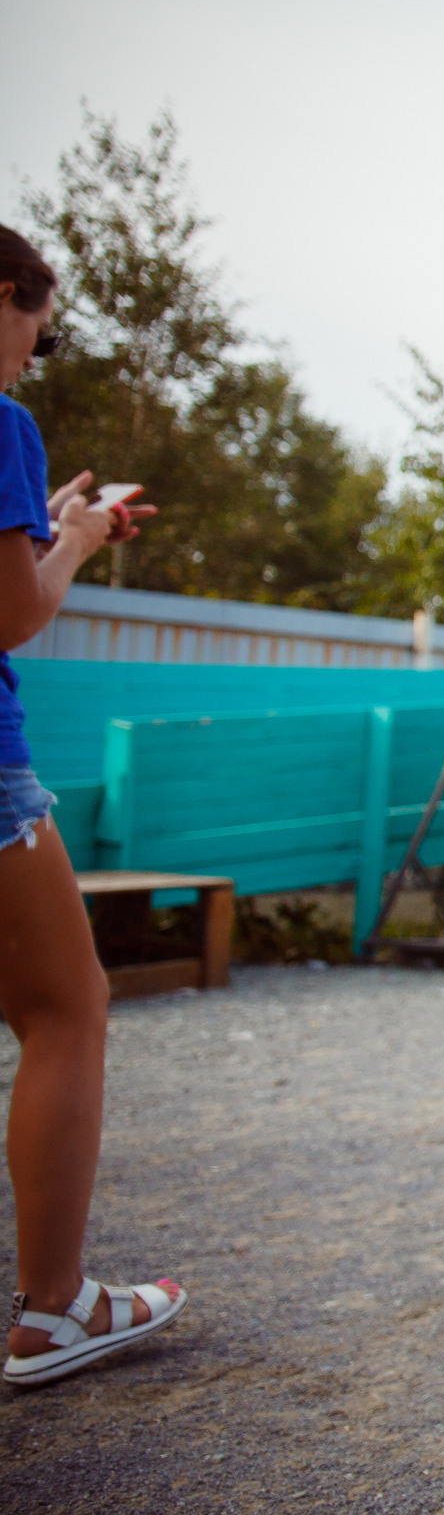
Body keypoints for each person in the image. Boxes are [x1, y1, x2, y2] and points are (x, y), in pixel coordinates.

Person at [0, 225, 186, 1386]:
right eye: (41, 326)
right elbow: (13, 615)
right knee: (67, 1012)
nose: (36, 352)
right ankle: (55, 1307)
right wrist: (69, 541)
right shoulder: (2, 424)